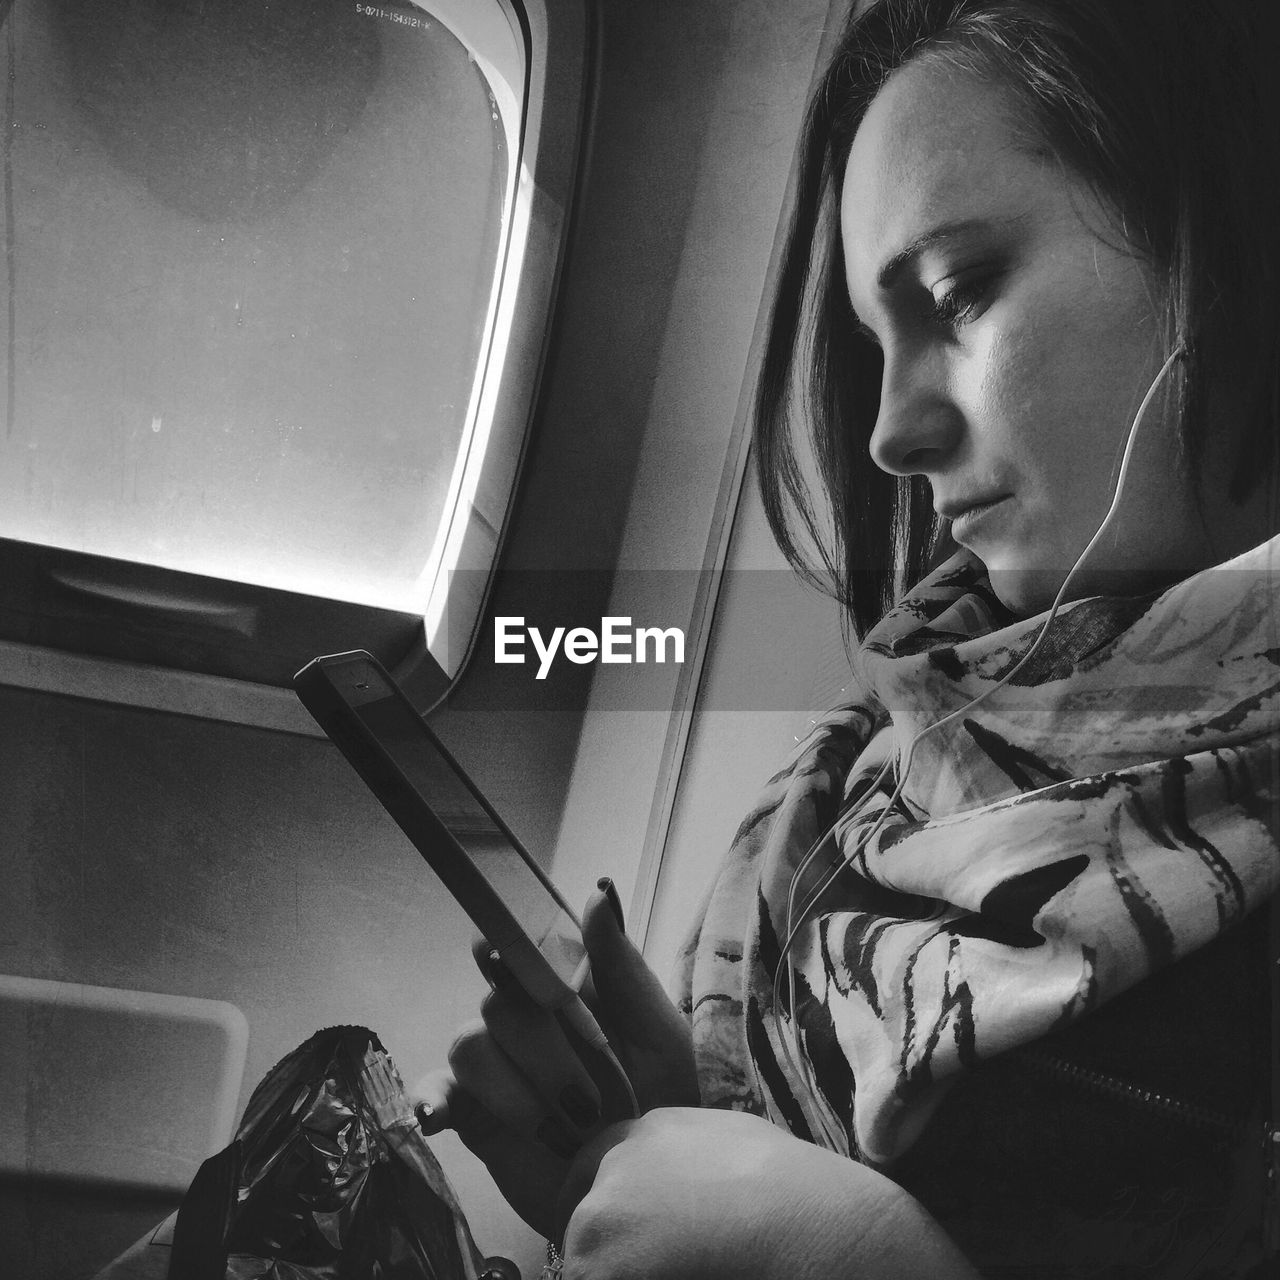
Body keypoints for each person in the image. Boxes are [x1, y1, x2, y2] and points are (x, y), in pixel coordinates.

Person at [425, 1, 1280, 1275]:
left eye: (957, 290)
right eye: (873, 344)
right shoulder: (877, 761)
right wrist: (662, 1116)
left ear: (1233, 237)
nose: (887, 434)